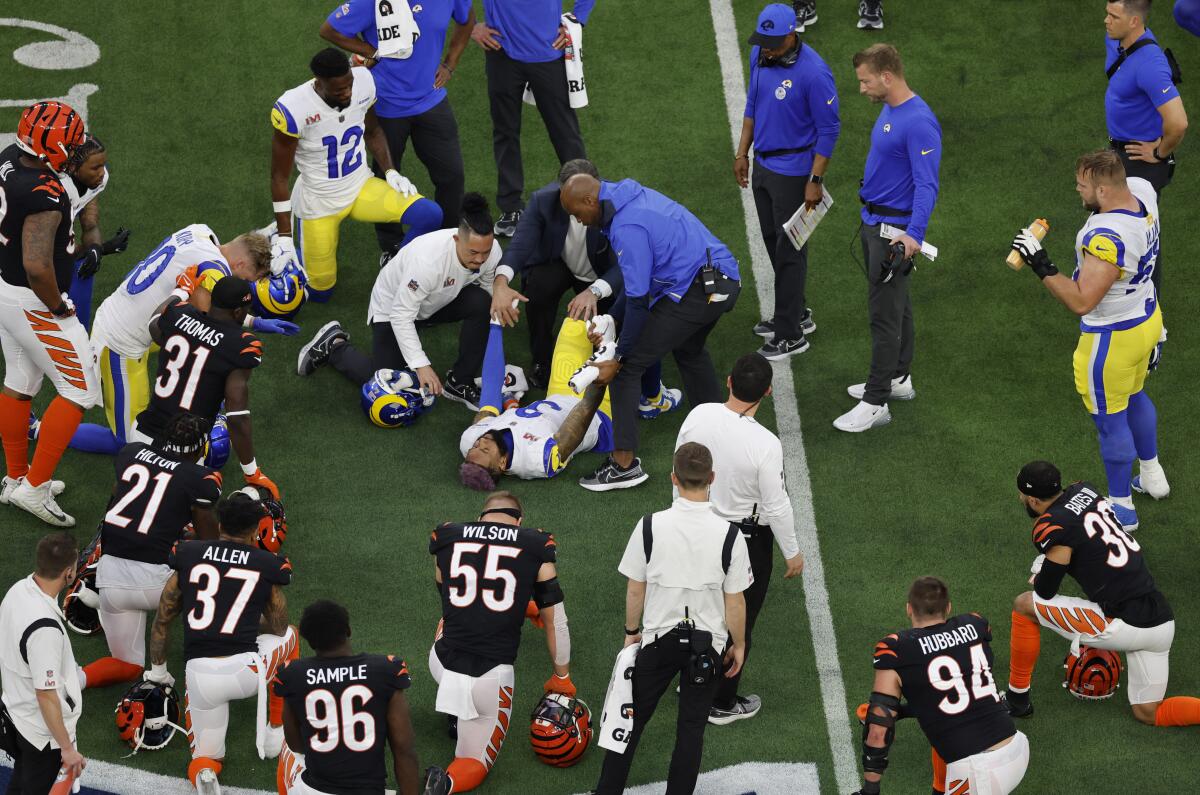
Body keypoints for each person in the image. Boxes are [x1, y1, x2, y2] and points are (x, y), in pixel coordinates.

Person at [1010, 150, 1166, 531]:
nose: (1077, 190)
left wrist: (1039, 262)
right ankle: (1151, 475)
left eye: (1082, 185)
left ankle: (1122, 509)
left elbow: (1082, 300)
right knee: (1135, 397)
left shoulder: (1105, 237)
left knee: (1111, 424)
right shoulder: (1142, 190)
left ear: (1102, 188)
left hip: (1111, 339)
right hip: (1146, 317)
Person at [560, 175, 742, 491]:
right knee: (689, 350)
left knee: (626, 369)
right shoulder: (628, 197)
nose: (578, 221)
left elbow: (639, 300)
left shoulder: (626, 228)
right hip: (722, 280)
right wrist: (612, 322)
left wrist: (619, 353)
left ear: (590, 201)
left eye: (577, 214)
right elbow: (642, 285)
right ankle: (722, 435)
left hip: (699, 290)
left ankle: (623, 464)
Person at [593, 443, 750, 794]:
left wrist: (631, 632)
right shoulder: (731, 536)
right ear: (712, 478)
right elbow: (735, 601)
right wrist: (738, 645)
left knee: (629, 722)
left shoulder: (649, 525)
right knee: (691, 732)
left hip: (658, 641)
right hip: (707, 648)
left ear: (673, 479)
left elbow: (636, 589)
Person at [1006, 460, 1200, 729]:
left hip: (1121, 624)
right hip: (1161, 622)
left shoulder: (1052, 527)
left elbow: (1046, 591)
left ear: (1034, 500)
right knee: (1149, 712)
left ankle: (1017, 700)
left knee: (1024, 604)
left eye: (1022, 496)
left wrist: (1043, 568)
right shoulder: (1085, 490)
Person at [69, 224, 278, 456]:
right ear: (240, 264)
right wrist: (253, 324)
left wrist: (252, 322)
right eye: (248, 278)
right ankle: (40, 430)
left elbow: (203, 307)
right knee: (129, 441)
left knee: (185, 343)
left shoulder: (201, 232)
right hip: (121, 341)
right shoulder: (216, 271)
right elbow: (209, 320)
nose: (244, 285)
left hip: (130, 313)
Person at [674, 352, 804, 725]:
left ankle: (692, 675)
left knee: (697, 607)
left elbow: (679, 469)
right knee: (737, 619)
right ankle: (720, 701)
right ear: (767, 392)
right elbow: (776, 505)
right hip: (744, 539)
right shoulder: (766, 443)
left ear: (728, 381)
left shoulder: (698, 415)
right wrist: (792, 552)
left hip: (697, 525)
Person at [148, 493, 298, 794]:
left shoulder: (188, 552)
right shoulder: (266, 563)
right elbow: (279, 625)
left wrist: (159, 671)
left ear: (219, 525)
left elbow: (163, 618)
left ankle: (206, 776)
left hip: (199, 675)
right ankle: (275, 731)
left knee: (206, 757)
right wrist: (244, 615)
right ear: (256, 529)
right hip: (245, 673)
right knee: (290, 637)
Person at [427, 490, 574, 792]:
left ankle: (457, 710)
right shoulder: (536, 544)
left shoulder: (447, 535)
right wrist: (562, 677)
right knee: (473, 762)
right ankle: (446, 784)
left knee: (447, 620)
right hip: (489, 679)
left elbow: (450, 595)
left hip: (441, 662)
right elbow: (556, 622)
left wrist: (522, 606)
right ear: (519, 521)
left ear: (482, 516)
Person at [270, 47, 443, 302]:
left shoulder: (362, 81)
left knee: (430, 215)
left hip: (360, 185)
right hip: (319, 203)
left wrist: (390, 171)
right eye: (339, 90)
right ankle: (277, 236)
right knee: (320, 293)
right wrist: (285, 236)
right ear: (320, 83)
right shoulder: (294, 108)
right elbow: (279, 178)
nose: (348, 93)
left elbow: (372, 132)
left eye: (349, 84)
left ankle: (394, 272)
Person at [296, 194, 500, 409]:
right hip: (391, 307)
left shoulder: (491, 252)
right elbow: (401, 315)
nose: (479, 259)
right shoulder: (427, 263)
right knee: (386, 383)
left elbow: (487, 284)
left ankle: (460, 382)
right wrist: (422, 365)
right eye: (473, 252)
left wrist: (500, 296)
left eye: (485, 252)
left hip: (434, 300)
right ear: (457, 240)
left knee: (483, 302)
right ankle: (334, 346)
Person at [0, 101, 101, 527]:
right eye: (73, 142)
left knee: (20, 380)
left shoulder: (8, 158)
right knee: (81, 387)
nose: (78, 148)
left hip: (5, 290)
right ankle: (33, 489)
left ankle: (16, 477)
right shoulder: (44, 193)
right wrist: (59, 305)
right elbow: (38, 264)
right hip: (32, 298)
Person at [835, 44, 940, 434]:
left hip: (892, 233)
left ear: (887, 76)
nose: (861, 88)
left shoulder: (919, 122)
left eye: (865, 80)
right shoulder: (892, 109)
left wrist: (913, 235)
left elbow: (927, 185)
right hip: (874, 221)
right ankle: (898, 378)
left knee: (883, 316)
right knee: (899, 306)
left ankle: (876, 401)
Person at [77, 412, 221, 691]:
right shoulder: (199, 478)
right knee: (217, 568)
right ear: (200, 448)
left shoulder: (131, 453)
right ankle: (215, 649)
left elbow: (118, 498)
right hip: (156, 586)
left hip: (110, 580)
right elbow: (210, 543)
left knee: (127, 665)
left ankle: (74, 681)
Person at [852, 577, 1027, 795]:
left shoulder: (896, 649)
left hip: (978, 769)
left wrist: (870, 790)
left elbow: (879, 728)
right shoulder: (975, 624)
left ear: (909, 609)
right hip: (1016, 749)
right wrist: (903, 711)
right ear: (948, 607)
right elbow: (956, 692)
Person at [736, 4, 839, 360]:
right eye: (762, 41)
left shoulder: (814, 73)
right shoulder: (759, 55)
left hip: (795, 172)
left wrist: (815, 179)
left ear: (791, 35)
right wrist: (742, 153)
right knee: (770, 239)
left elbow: (829, 129)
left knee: (790, 250)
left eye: (772, 43)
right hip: (763, 164)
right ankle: (796, 313)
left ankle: (791, 334)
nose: (765, 48)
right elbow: (752, 104)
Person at [320, 0, 474, 235]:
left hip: (431, 100)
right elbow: (330, 29)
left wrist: (450, 63)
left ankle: (447, 238)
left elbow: (467, 19)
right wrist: (371, 52)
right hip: (385, 105)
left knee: (452, 176)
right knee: (386, 179)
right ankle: (390, 246)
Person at [134, 277, 280, 499]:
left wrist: (182, 291)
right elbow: (237, 416)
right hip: (184, 449)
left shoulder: (179, 313)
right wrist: (252, 472)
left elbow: (154, 323)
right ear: (239, 312)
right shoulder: (241, 344)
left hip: (141, 433)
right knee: (175, 519)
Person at [490, 158, 619, 386]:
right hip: (560, 263)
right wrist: (501, 282)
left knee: (606, 326)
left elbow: (628, 265)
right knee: (538, 290)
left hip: (602, 274)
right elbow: (521, 243)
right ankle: (542, 360)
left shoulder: (617, 205)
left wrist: (595, 290)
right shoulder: (543, 200)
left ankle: (605, 362)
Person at [274, 599, 422, 795]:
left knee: (287, 750)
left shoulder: (293, 674)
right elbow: (404, 749)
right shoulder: (385, 669)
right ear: (348, 630)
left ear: (308, 639)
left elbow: (295, 744)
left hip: (314, 790)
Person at [472, 0, 594, 236]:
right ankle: (511, 208)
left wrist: (578, 19)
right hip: (502, 54)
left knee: (565, 133)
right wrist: (473, 26)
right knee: (505, 132)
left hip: (547, 54)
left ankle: (586, 200)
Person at [459, 316, 613, 489]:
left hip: (560, 393)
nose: (481, 442)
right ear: (502, 463)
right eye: (485, 450)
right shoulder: (538, 458)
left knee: (576, 320)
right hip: (600, 413)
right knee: (631, 346)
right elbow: (587, 407)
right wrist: (605, 364)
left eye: (476, 446)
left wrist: (496, 324)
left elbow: (490, 392)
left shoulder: (470, 440)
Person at [1103, 0, 1187, 293]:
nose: (1106, 20)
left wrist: (1159, 152)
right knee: (1120, 226)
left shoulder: (1150, 64)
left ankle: (1150, 308)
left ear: (1134, 22)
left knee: (1143, 235)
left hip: (1141, 162)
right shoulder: (1116, 40)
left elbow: (1178, 123)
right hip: (1121, 153)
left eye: (1113, 16)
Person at [0, 533, 87, 793]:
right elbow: (46, 695)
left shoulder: (18, 590)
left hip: (15, 709)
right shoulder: (45, 630)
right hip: (40, 734)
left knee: (23, 780)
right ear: (69, 572)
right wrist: (68, 750)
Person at [58, 134, 130, 332]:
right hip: (21, 250)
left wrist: (95, 249)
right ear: (73, 167)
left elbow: (89, 223)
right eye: (95, 168)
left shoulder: (95, 180)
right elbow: (61, 252)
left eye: (103, 165)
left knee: (86, 265)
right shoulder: (58, 192)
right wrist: (103, 249)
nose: (101, 173)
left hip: (53, 243)